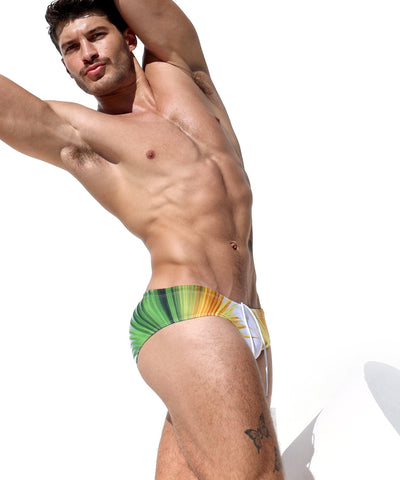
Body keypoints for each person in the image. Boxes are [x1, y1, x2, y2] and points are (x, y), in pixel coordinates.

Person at [0, 0, 284, 478]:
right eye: (71, 48)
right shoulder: (84, 132)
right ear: (65, 66)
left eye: (97, 35)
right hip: (185, 311)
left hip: (249, 316)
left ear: (129, 35)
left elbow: (158, 14)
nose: (87, 53)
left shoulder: (183, 73)